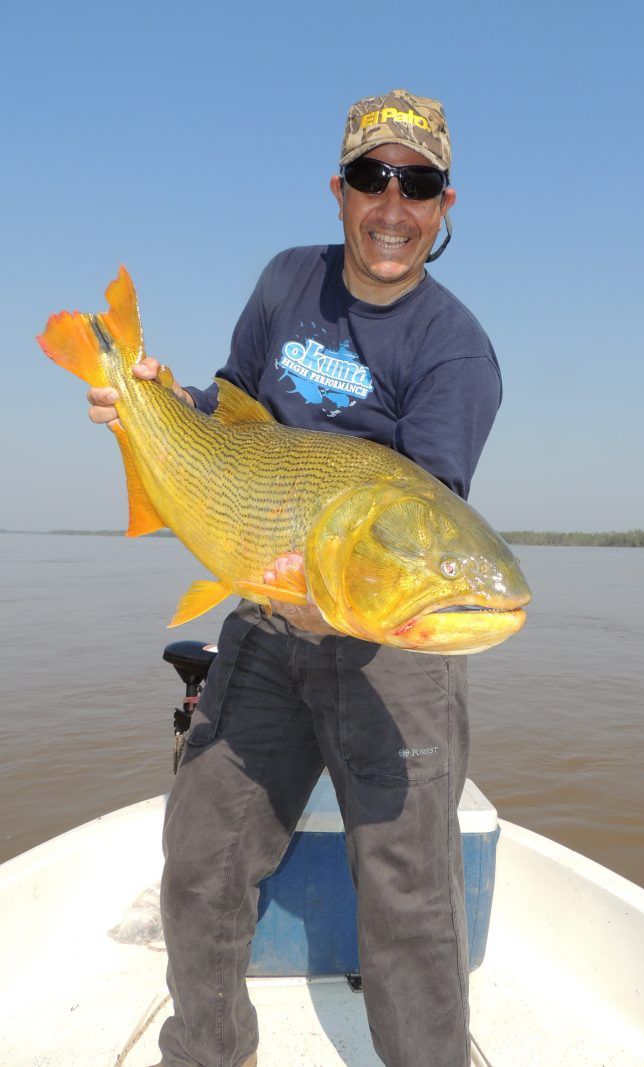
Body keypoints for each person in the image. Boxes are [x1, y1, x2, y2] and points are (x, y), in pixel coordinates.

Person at [88, 89, 502, 1067]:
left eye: (417, 181)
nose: (391, 201)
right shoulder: (284, 283)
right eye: (371, 176)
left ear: (444, 202)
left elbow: (417, 520)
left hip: (385, 644)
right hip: (268, 619)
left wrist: (332, 574)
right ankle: (208, 1051)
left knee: (408, 903)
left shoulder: (453, 349)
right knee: (198, 866)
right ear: (340, 189)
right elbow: (228, 411)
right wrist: (159, 403)